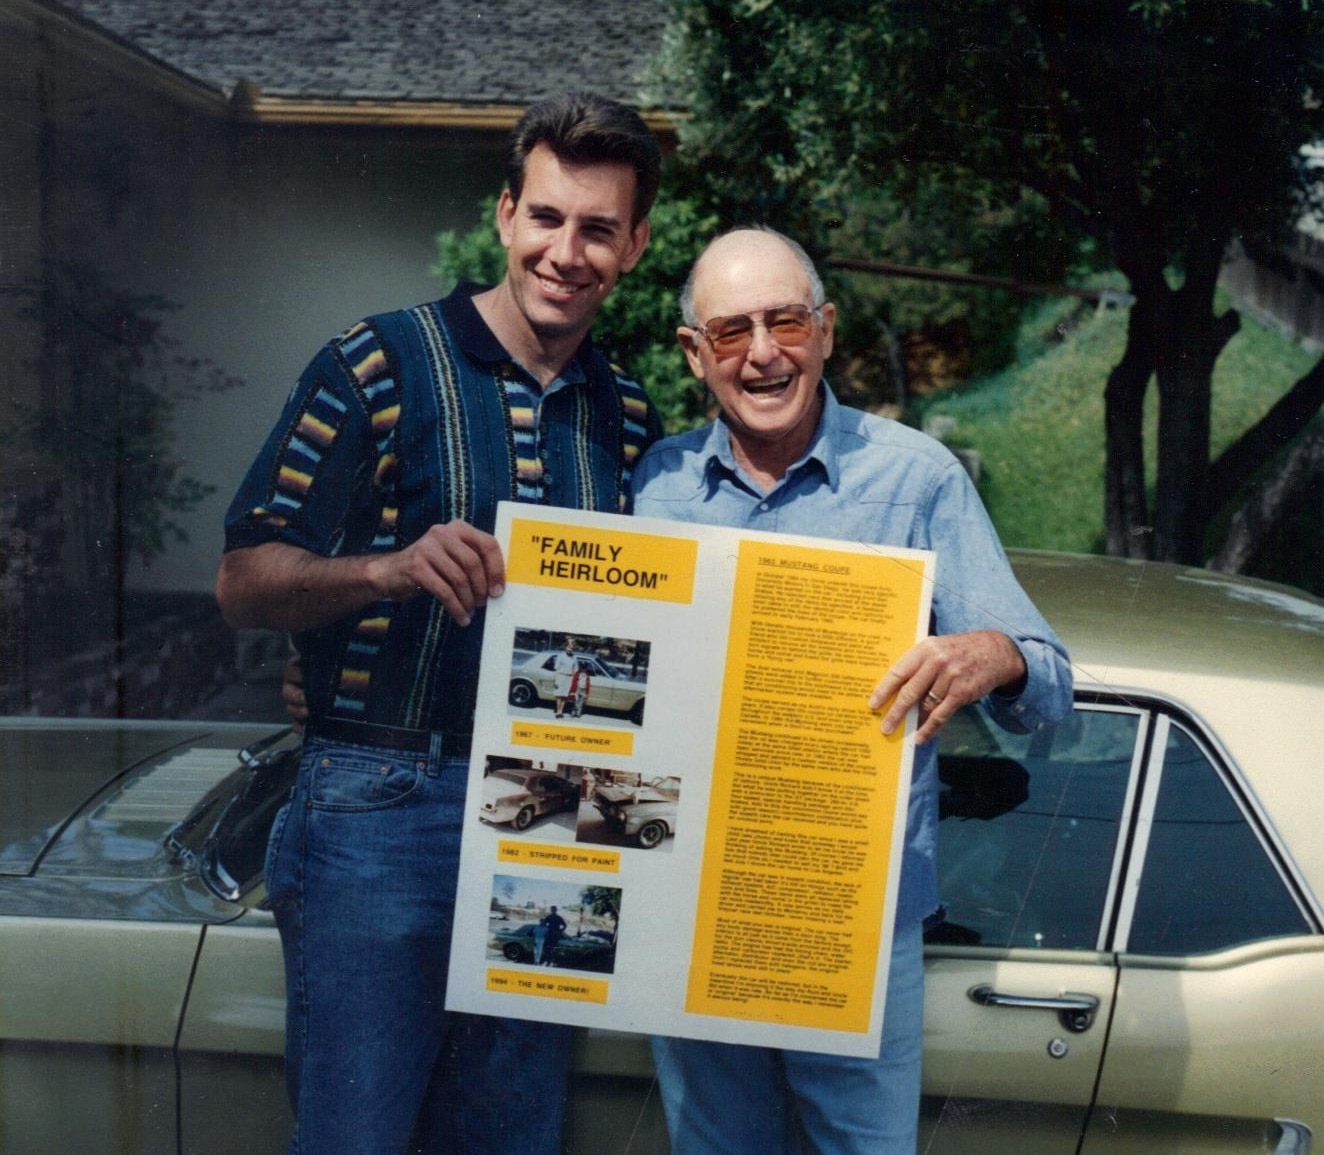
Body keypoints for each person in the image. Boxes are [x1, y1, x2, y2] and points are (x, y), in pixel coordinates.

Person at [216, 92, 662, 1155]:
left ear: (635, 247)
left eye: (598, 228)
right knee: (357, 1134)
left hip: (567, 808)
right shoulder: (377, 362)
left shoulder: (631, 416)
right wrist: (385, 568)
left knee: (511, 1132)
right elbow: (241, 577)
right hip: (384, 796)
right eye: (548, 218)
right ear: (506, 214)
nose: (568, 251)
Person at [632, 226, 1073, 1155]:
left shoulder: (917, 478)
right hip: (693, 907)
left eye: (785, 321)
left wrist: (996, 652)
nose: (762, 353)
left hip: (854, 922)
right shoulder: (655, 487)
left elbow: (1050, 685)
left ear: (826, 330)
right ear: (692, 354)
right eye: (730, 332)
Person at [552, 640, 578, 717]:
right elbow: (556, 668)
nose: (570, 649)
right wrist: (556, 680)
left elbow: (575, 669)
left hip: (569, 678)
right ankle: (558, 711)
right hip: (560, 676)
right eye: (569, 647)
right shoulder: (560, 656)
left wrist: (572, 678)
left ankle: (561, 711)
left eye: (572, 648)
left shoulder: (574, 657)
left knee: (565, 695)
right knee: (559, 695)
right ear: (565, 647)